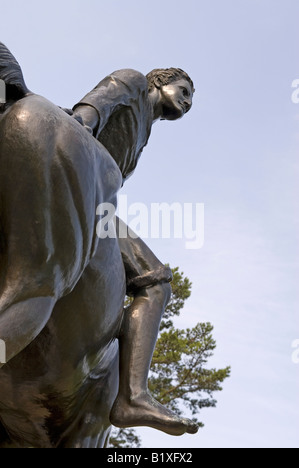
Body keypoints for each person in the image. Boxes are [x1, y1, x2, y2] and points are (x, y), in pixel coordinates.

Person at [0, 42, 197, 447]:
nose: (187, 102)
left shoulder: (146, 130)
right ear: (161, 81)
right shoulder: (132, 81)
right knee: (156, 279)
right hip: (89, 183)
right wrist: (80, 147)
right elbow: (91, 108)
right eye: (185, 91)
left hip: (97, 192)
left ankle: (129, 393)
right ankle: (133, 396)